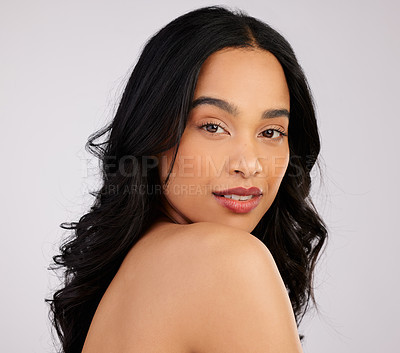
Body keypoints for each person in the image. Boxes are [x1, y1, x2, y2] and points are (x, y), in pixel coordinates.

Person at [48, 5, 328, 353]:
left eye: (271, 132)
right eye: (213, 126)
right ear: (152, 129)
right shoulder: (226, 259)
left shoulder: (138, 264)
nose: (249, 164)